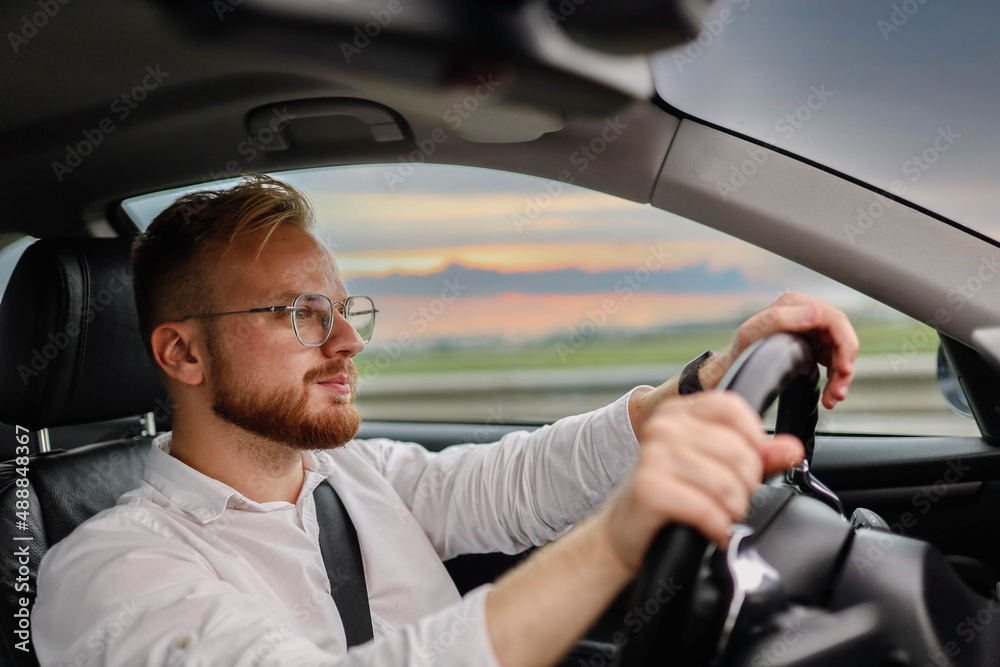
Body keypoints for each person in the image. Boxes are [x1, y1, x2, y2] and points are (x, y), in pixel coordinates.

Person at [31, 174, 857, 666]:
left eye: (347, 309)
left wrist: (711, 376)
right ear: (183, 354)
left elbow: (525, 478)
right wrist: (612, 544)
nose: (349, 341)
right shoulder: (106, 578)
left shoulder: (359, 476)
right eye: (302, 314)